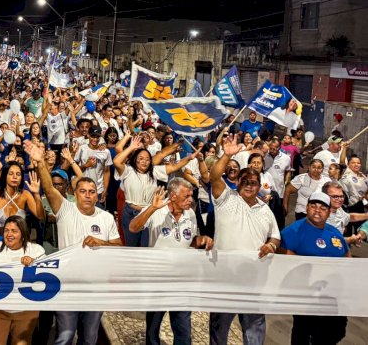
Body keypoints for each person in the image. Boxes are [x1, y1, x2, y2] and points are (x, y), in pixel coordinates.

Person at [28, 139, 121, 345]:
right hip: (67, 284)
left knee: (89, 338)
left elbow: (119, 247)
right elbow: (50, 189)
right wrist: (41, 163)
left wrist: (101, 243)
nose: (87, 195)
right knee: (65, 336)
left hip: (96, 288)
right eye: (82, 191)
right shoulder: (65, 210)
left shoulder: (105, 217)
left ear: (97, 196)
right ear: (74, 194)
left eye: (91, 192)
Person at [208, 135, 280, 345]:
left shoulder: (265, 209)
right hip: (225, 279)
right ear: (238, 182)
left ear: (260, 186)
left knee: (254, 333)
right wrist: (227, 155)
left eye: (254, 183)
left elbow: (275, 235)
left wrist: (271, 245)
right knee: (218, 332)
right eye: (245, 182)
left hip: (254, 281)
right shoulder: (225, 198)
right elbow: (214, 177)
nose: (249, 186)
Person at [128, 180, 213, 345]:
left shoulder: (190, 214)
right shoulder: (156, 210)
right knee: (153, 329)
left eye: (192, 195)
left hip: (182, 281)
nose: (191, 199)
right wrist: (152, 208)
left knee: (183, 329)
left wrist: (201, 240)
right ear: (173, 196)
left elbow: (190, 241)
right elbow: (133, 227)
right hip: (158, 280)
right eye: (186, 196)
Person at [278, 191, 350, 344]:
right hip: (306, 298)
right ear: (307, 207)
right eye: (313, 206)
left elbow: (347, 256)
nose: (317, 210)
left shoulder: (334, 232)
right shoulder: (292, 231)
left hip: (332, 298)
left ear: (330, 211)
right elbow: (280, 256)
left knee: (335, 333)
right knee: (305, 335)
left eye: (323, 208)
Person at [113, 134, 192, 247]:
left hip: (149, 212)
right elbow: (116, 162)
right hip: (130, 212)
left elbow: (174, 167)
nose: (144, 162)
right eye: (140, 159)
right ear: (135, 160)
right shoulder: (127, 171)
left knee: (147, 245)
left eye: (147, 159)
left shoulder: (154, 171)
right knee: (131, 246)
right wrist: (131, 147)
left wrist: (189, 158)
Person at [0, 215, 46, 345]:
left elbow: (45, 278)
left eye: (14, 231)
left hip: (26, 311)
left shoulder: (36, 251)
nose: (9, 234)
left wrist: (35, 264)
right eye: (6, 230)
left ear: (23, 234)